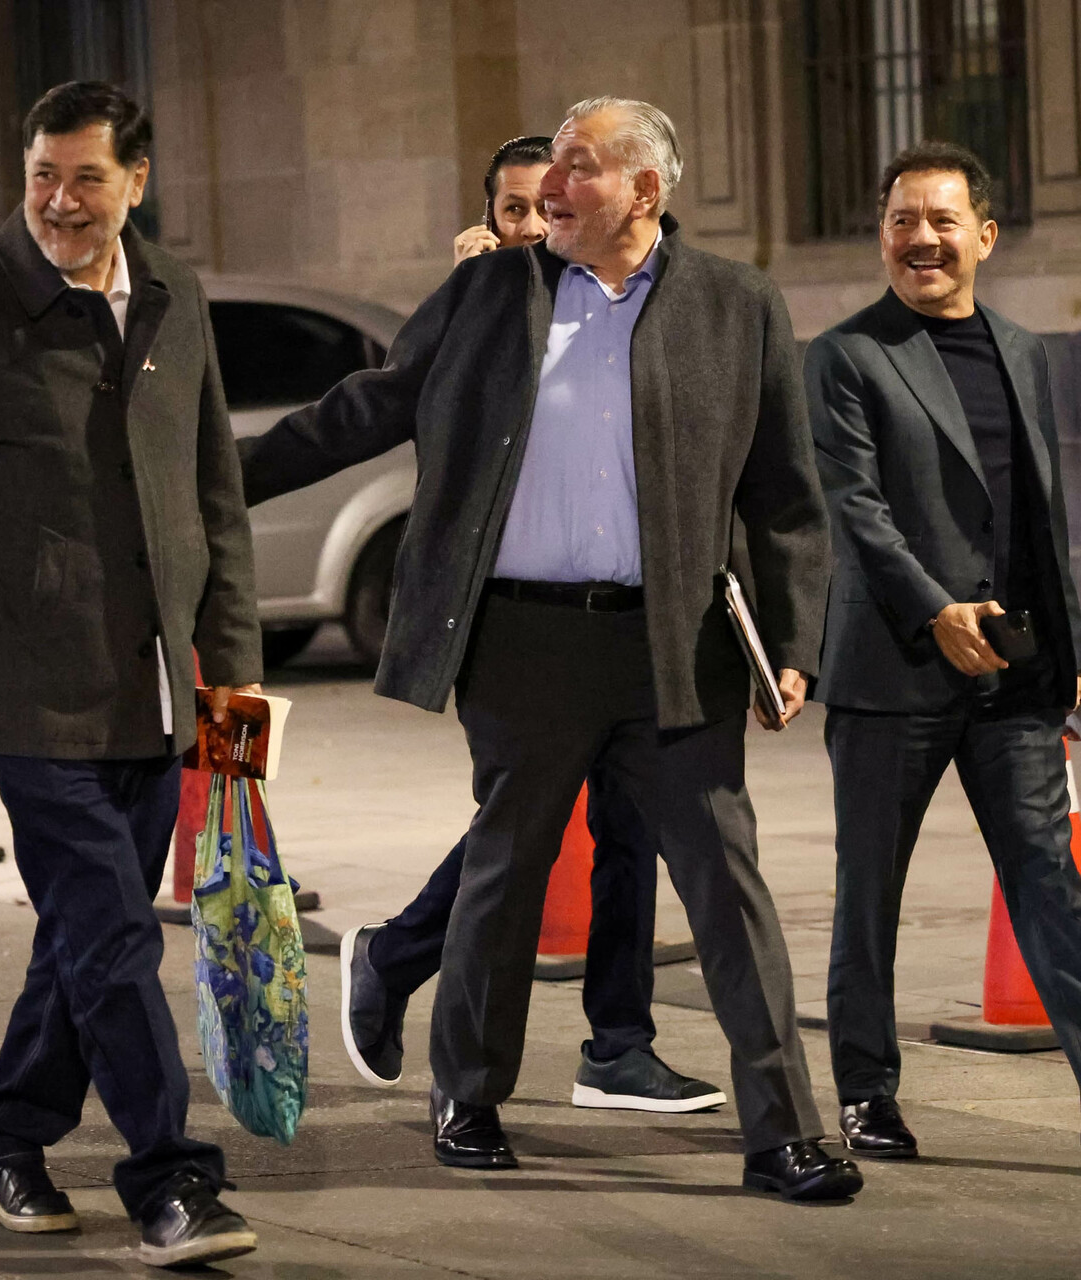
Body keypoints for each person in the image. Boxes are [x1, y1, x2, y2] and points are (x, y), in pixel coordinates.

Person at [243, 96, 861, 1202]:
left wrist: (795, 641)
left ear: (644, 191)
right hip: (522, 640)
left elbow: (786, 496)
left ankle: (783, 1132)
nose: (551, 187)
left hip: (676, 645)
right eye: (554, 167)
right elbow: (367, 408)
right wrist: (215, 488)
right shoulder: (492, 291)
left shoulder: (736, 304)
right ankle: (467, 1094)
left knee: (728, 887)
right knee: (505, 871)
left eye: (578, 168)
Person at [0, 82, 263, 1268]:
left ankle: (7, 1131)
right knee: (117, 937)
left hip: (156, 689)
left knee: (85, 938)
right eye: (42, 175)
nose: (59, 202)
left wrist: (232, 677)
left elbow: (214, 500)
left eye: (86, 178)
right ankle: (173, 1176)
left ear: (138, 179)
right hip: (32, 685)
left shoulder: (175, 299)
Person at [806, 140, 1081, 1171]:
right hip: (894, 667)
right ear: (883, 234)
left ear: (985, 235)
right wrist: (936, 609)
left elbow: (1042, 515)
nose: (921, 239)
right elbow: (854, 510)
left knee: (1046, 879)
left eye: (942, 220)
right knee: (870, 893)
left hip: (1015, 673)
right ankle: (865, 1095)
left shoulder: (1025, 350)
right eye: (903, 220)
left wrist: (1067, 646)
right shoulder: (848, 354)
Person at [339, 131, 724, 1117]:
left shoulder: (619, 298)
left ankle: (619, 1043)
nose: (529, 224)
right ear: (487, 220)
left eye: (540, 204)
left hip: (630, 623)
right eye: (509, 210)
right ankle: (405, 971)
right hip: (515, 625)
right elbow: (370, 416)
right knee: (521, 833)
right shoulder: (481, 309)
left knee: (626, 827)